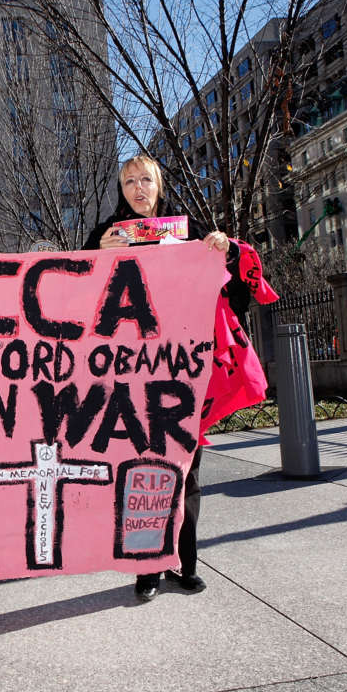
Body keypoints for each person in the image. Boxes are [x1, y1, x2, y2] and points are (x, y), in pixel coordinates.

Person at [83, 154, 232, 602]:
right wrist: (96, 255)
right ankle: (147, 569)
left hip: (183, 368)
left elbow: (224, 284)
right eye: (129, 181)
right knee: (139, 471)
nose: (138, 188)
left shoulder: (184, 228)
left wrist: (221, 244)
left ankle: (185, 565)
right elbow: (77, 292)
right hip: (130, 374)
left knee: (187, 473)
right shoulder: (106, 234)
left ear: (159, 185)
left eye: (145, 179)